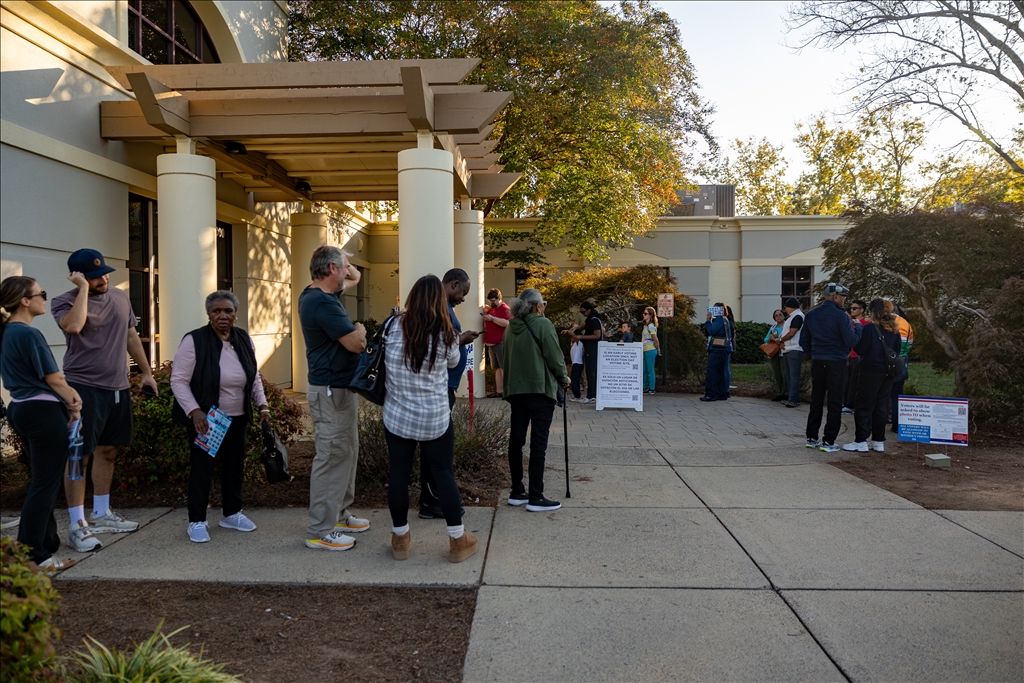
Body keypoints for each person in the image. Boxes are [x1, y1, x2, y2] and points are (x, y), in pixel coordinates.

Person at [51, 249, 157, 553]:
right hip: (82, 387)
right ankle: (76, 524)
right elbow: (73, 326)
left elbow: (131, 336)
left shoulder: (121, 298)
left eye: (105, 273)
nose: (104, 279)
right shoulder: (64, 301)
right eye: (96, 276)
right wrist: (83, 290)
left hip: (117, 387)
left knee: (107, 451)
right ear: (79, 277)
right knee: (78, 456)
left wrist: (147, 373)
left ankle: (100, 513)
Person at [383, 275, 477, 563]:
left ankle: (401, 538)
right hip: (434, 416)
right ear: (439, 298)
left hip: (398, 415)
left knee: (398, 474)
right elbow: (452, 361)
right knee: (443, 473)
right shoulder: (445, 332)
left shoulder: (393, 325)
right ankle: (458, 540)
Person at [170, 291, 271, 542]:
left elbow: (254, 376)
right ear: (209, 314)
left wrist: (263, 406)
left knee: (235, 467)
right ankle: (196, 521)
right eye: (216, 311)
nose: (222, 316)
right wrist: (195, 411)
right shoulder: (195, 340)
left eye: (227, 311)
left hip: (238, 416)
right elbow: (179, 380)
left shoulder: (243, 338)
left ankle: (232, 513)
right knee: (203, 469)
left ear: (235, 314)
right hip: (210, 418)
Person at [0, 276, 82, 570]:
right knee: (44, 486)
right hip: (42, 413)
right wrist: (75, 402)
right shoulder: (27, 335)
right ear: (25, 300)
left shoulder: (7, 332)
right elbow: (54, 379)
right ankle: (35, 556)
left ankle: (46, 546)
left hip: (22, 409)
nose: (44, 299)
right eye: (41, 294)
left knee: (40, 481)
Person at [298, 246, 369, 551]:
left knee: (346, 453)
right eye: (343, 266)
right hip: (332, 391)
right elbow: (356, 344)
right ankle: (319, 530)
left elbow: (356, 276)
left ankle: (337, 515)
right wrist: (359, 328)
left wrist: (344, 262)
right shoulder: (322, 303)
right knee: (331, 458)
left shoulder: (320, 296)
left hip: (338, 389)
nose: (348, 270)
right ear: (330, 269)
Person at [417, 268, 480, 520]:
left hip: (444, 388)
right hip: (440, 389)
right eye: (463, 292)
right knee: (437, 449)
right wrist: (461, 340)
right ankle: (432, 501)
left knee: (436, 448)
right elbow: (442, 348)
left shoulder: (443, 308)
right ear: (453, 284)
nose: (463, 298)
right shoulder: (440, 309)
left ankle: (431, 499)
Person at [503, 288, 568, 511]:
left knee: (516, 441)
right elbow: (555, 357)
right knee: (538, 443)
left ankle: (517, 491)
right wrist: (564, 378)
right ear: (537, 306)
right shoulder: (543, 324)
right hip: (540, 390)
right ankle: (536, 496)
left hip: (516, 391)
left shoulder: (511, 327)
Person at [799, 283, 863, 452]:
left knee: (816, 400)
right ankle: (829, 441)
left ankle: (812, 437)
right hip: (837, 362)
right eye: (843, 297)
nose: (844, 300)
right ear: (835, 297)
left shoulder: (811, 314)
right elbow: (851, 341)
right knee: (835, 401)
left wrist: (813, 354)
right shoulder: (841, 316)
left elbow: (803, 341)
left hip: (818, 361)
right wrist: (858, 328)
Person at [843, 299, 901, 453]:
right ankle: (878, 441)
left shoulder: (869, 329)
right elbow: (897, 350)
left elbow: (860, 348)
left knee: (864, 405)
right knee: (881, 406)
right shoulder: (894, 330)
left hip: (870, 369)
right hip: (888, 371)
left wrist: (858, 329)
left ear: (873, 311)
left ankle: (861, 441)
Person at [564, 300, 603, 404]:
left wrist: (581, 336)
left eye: (583, 312)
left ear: (589, 310)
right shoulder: (589, 318)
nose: (582, 314)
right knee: (589, 371)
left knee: (591, 372)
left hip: (593, 347)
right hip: (589, 347)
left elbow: (597, 335)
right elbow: (582, 326)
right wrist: (573, 329)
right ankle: (592, 394)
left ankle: (591, 395)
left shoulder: (594, 320)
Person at [888, 301, 915, 433]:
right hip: (901, 361)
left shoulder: (884, 322)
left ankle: (878, 423)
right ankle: (897, 425)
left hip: (884, 361)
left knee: (881, 393)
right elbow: (909, 344)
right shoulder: (906, 324)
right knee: (897, 394)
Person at [481, 288, 511, 399]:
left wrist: (492, 318)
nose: (492, 303)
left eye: (493, 301)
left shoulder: (505, 309)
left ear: (499, 298)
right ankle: (499, 391)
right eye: (490, 301)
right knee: (497, 368)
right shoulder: (492, 309)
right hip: (492, 344)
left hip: (500, 343)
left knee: (503, 368)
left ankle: (507, 391)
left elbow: (507, 323)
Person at [701, 303, 733, 402]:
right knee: (720, 372)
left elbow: (712, 331)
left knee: (712, 370)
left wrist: (708, 321)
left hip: (717, 349)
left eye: (715, 308)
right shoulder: (725, 319)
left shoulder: (719, 319)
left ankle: (710, 394)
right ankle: (721, 393)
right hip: (724, 349)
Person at [779, 298, 805, 408]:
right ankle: (793, 397)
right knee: (789, 375)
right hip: (788, 348)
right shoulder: (793, 317)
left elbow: (792, 333)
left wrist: (780, 340)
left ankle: (793, 399)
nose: (785, 309)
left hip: (794, 348)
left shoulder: (798, 316)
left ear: (791, 307)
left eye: (786, 307)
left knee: (793, 375)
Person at [842, 300, 868, 414]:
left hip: (859, 356)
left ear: (861, 310)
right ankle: (848, 403)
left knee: (855, 381)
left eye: (854, 308)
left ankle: (850, 405)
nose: (852, 310)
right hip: (851, 355)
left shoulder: (866, 324)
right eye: (851, 308)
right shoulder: (852, 323)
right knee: (849, 380)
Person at [765, 309, 788, 401]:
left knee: (784, 373)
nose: (778, 317)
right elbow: (765, 339)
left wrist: (776, 339)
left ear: (784, 316)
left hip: (783, 351)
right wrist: (771, 339)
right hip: (774, 352)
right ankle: (780, 392)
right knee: (777, 373)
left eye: (780, 315)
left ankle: (786, 393)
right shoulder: (773, 327)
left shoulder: (786, 326)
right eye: (776, 315)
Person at [641, 307, 661, 395]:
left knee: (650, 369)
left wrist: (658, 348)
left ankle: (652, 387)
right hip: (645, 349)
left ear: (650, 315)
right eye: (644, 313)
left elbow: (655, 339)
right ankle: (644, 386)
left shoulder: (651, 326)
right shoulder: (645, 326)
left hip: (650, 349)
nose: (644, 315)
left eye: (646, 314)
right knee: (644, 369)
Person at [568, 336, 584, 402]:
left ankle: (577, 396)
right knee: (574, 380)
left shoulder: (579, 343)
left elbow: (575, 336)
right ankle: (576, 394)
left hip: (578, 363)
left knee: (575, 380)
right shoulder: (574, 344)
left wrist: (568, 331)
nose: (572, 339)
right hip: (575, 364)